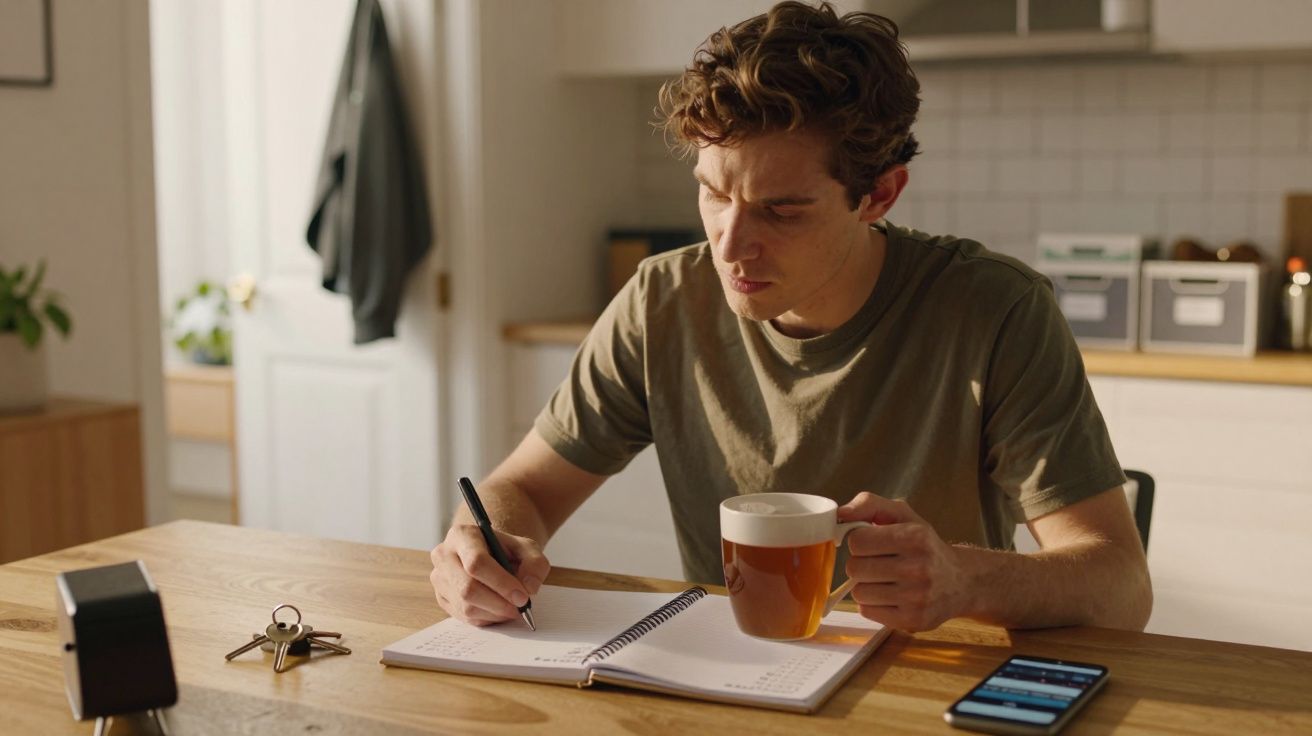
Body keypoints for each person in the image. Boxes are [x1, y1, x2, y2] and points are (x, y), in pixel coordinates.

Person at [429, 1, 1151, 633]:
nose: (730, 244)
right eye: (714, 194)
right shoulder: (661, 302)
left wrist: (964, 580)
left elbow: (1122, 587)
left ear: (879, 195)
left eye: (782, 210)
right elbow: (521, 491)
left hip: (928, 685)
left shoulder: (994, 311)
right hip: (739, 680)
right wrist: (477, 544)